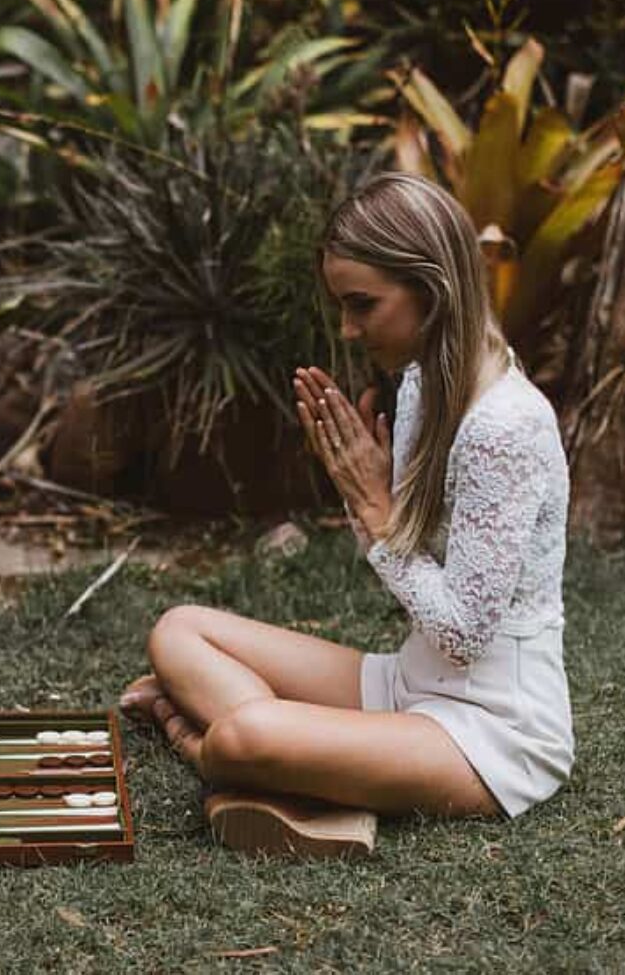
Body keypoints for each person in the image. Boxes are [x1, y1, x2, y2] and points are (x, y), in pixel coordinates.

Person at [121, 172, 574, 859]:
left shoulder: (504, 428)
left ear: (433, 286)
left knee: (244, 736)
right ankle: (289, 765)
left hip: (491, 730)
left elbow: (462, 636)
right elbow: (417, 571)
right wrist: (371, 505)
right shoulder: (424, 381)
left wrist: (375, 514)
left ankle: (213, 745)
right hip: (408, 681)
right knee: (179, 629)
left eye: (363, 304)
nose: (347, 327)